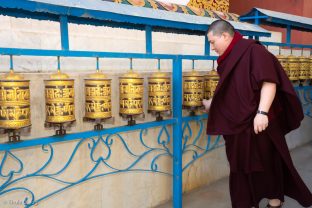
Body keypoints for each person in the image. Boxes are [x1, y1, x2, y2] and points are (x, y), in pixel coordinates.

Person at [202, 19, 312, 208]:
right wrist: (213, 103)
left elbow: (269, 81)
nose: (212, 47)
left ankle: (275, 202)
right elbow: (234, 90)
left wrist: (262, 112)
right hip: (237, 126)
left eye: (212, 42)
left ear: (225, 36)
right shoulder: (230, 57)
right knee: (240, 170)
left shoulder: (253, 51)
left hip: (259, 122)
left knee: (269, 164)